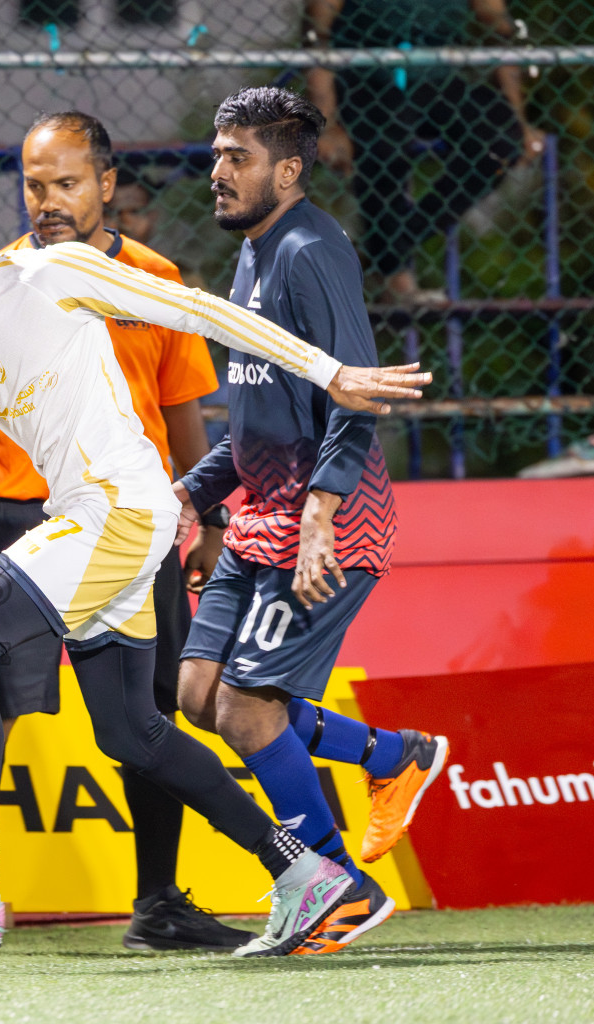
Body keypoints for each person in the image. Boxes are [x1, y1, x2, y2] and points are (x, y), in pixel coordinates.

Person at [0, 159, 429, 957]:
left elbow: (198, 310)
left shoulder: (53, 275)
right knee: (132, 732)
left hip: (121, 511)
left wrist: (330, 372)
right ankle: (312, 881)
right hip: (98, 521)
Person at [0, 112, 248, 952]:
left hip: (126, 521)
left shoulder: (152, 278)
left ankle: (157, 902)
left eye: (66, 182)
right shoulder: (0, 278)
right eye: (33, 183)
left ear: (106, 184)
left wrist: (204, 519)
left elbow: (181, 411)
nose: (48, 198)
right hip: (14, 517)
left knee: (142, 720)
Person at [176, 87, 450, 957]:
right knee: (196, 699)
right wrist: (192, 492)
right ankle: (393, 757)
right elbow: (261, 411)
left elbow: (355, 390)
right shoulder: (254, 254)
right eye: (218, 154)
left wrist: (324, 517)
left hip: (327, 517)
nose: (218, 172)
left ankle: (334, 886)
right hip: (259, 510)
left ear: (287, 171)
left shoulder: (308, 250)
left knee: (248, 710)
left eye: (238, 157)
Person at [305, 0, 543, 302]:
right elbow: (317, 35)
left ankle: (389, 247)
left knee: (500, 141)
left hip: (437, 81)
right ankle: (395, 276)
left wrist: (520, 121)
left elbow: (502, 33)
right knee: (383, 146)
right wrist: (327, 123)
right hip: (367, 79)